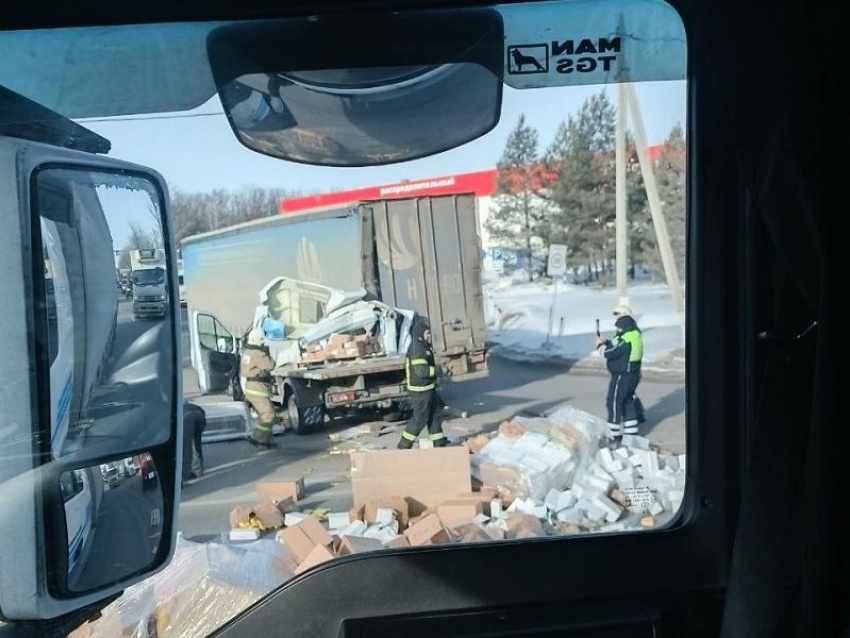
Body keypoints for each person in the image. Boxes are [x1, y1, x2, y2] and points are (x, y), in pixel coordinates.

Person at [398, 317, 446, 449]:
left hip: (428, 388)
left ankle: (439, 443)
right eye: (427, 334)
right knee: (420, 419)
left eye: (430, 333)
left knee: (435, 416)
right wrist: (439, 370)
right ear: (420, 334)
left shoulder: (424, 347)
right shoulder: (416, 348)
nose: (429, 336)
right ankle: (404, 444)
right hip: (419, 391)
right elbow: (421, 371)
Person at [596, 313, 644, 439]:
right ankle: (631, 433)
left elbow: (610, 352)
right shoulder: (634, 335)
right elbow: (616, 344)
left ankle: (613, 434)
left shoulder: (626, 339)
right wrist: (606, 341)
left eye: (619, 328)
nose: (617, 330)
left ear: (625, 327)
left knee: (614, 402)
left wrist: (600, 346)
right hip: (633, 374)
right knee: (627, 401)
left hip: (622, 375)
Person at [240, 326, 278, 448]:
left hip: (251, 387)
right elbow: (271, 365)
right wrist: (267, 353)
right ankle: (258, 438)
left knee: (263, 415)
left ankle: (265, 440)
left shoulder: (247, 351)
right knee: (268, 414)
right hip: (258, 388)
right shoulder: (258, 353)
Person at [182, 399, 206, 483]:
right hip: (199, 413)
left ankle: (186, 474)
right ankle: (198, 469)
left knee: (187, 445)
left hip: (187, 416)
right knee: (196, 442)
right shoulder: (176, 394)